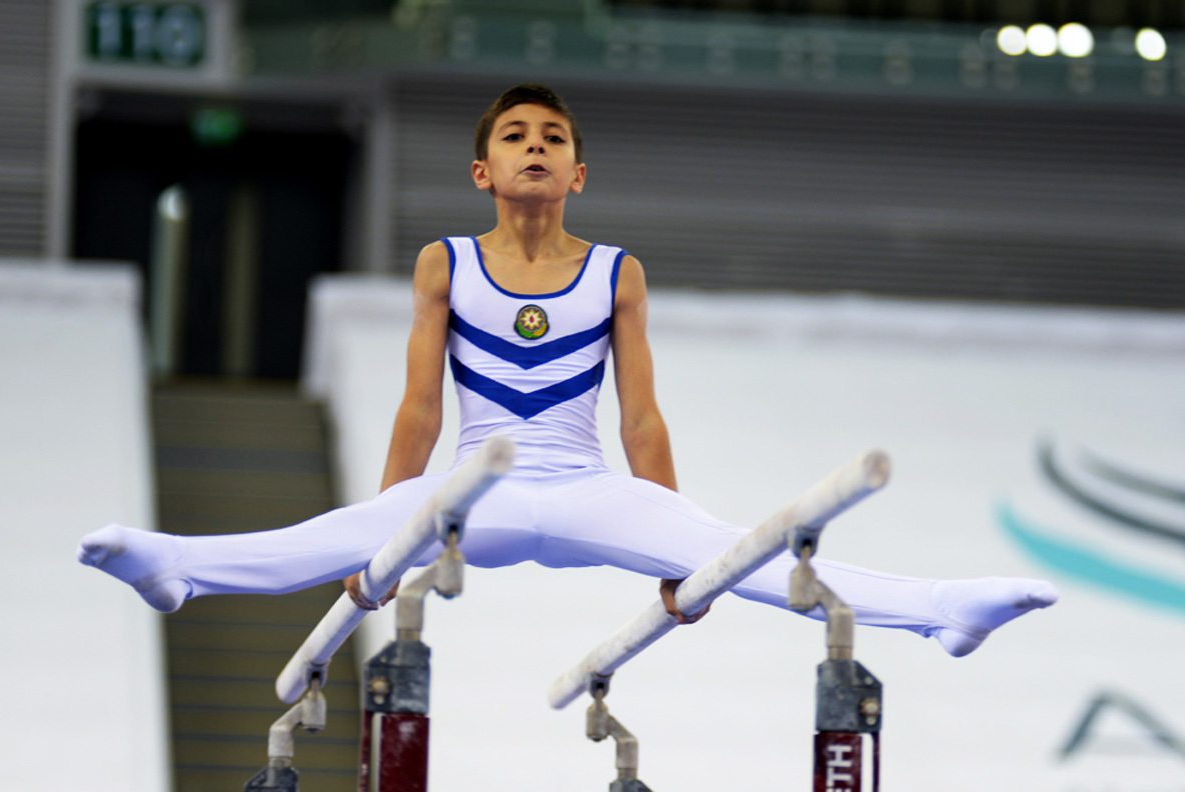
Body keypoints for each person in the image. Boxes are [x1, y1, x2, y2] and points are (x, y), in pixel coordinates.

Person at [78, 84, 1057, 657]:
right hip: (476, 494)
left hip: (588, 489)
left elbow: (642, 419)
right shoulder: (444, 264)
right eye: (516, 137)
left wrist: (682, 547)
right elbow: (421, 405)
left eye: (553, 140)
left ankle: (939, 612)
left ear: (577, 174)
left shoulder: (616, 272)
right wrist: (382, 537)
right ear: (484, 173)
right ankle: (180, 571)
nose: (535, 148)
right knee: (332, 530)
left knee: (747, 545)